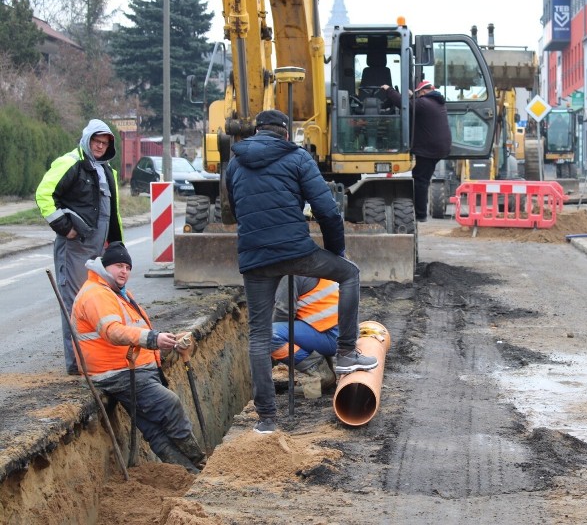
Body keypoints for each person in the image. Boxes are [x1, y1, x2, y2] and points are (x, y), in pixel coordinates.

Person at [225, 109, 378, 434]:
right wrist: (335, 251)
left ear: (257, 130)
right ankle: (347, 353)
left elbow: (234, 210)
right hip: (295, 250)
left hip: (254, 258)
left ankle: (266, 419)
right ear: (285, 132)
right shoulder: (296, 157)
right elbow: (326, 209)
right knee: (349, 274)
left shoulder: (235, 162)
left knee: (259, 335)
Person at [71, 242, 207, 473]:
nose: (124, 271)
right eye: (118, 266)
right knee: (169, 404)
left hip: (130, 367)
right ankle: (197, 459)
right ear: (104, 267)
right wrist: (153, 339)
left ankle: (189, 473)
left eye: (127, 266)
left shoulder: (116, 292)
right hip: (118, 372)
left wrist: (162, 343)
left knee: (153, 428)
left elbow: (133, 328)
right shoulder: (97, 294)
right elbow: (113, 332)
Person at [36, 119, 124, 375]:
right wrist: (65, 227)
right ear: (87, 139)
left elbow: (112, 212)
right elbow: (43, 194)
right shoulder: (70, 163)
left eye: (104, 143)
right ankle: (78, 364)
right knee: (75, 304)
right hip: (75, 246)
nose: (99, 146)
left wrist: (115, 243)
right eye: (96, 141)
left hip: (99, 247)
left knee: (99, 301)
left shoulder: (107, 170)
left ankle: (96, 359)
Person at [382, 80, 452, 222]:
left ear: (423, 92)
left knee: (420, 180)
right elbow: (416, 105)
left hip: (429, 149)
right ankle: (420, 212)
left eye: (418, 94)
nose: (418, 96)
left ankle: (420, 215)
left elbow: (404, 105)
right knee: (423, 179)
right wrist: (412, 96)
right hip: (439, 147)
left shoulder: (424, 103)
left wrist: (389, 90)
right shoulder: (437, 102)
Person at [270, 276, 338, 395]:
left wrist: (271, 351)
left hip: (332, 337)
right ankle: (327, 376)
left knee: (266, 336)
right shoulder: (311, 264)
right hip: (341, 333)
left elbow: (284, 313)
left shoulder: (290, 275)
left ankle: (322, 375)